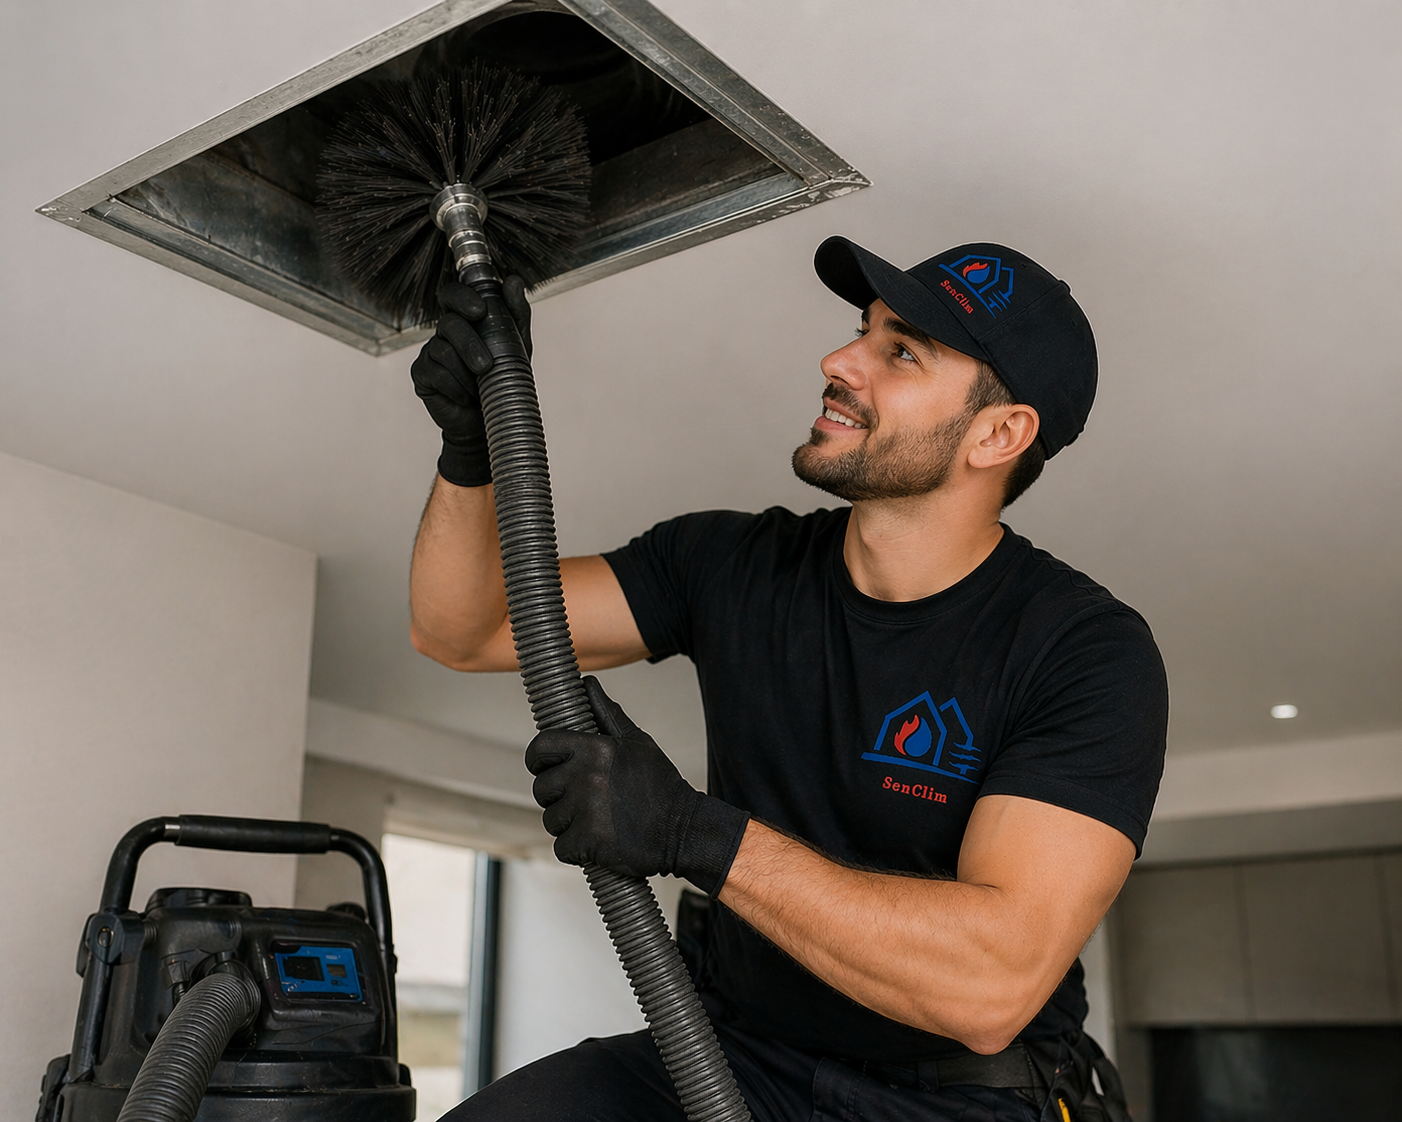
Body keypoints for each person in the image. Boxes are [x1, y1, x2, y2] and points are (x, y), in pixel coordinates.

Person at [409, 240, 1168, 1122]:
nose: (839, 362)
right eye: (863, 332)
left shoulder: (1084, 652)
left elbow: (990, 989)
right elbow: (465, 627)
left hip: (957, 1100)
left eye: (902, 352)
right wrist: (471, 448)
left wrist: (696, 833)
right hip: (730, 1057)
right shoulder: (730, 565)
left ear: (999, 434)